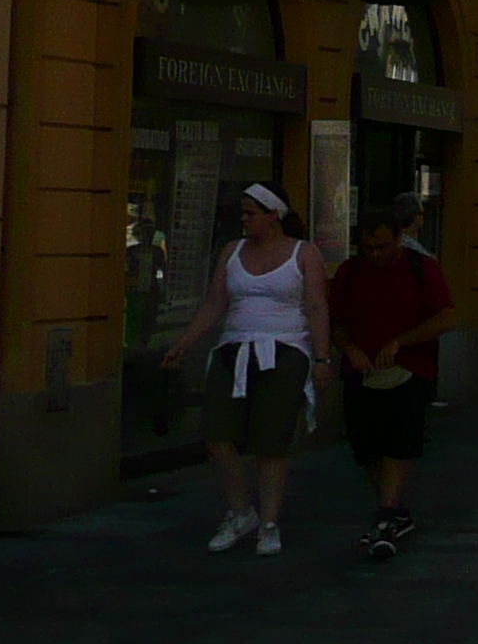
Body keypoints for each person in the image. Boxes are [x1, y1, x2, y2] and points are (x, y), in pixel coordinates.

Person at [161, 184, 333, 555]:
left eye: (251, 212)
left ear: (274, 215)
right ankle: (241, 512)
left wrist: (321, 359)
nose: (245, 219)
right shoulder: (233, 251)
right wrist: (185, 343)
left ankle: (269, 522)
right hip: (234, 347)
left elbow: (317, 307)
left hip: (284, 348)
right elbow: (214, 303)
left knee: (270, 441)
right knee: (216, 435)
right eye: (243, 212)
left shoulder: (303, 254)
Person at [331, 205, 456, 561]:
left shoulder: (421, 268)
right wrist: (350, 349)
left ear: (397, 239)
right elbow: (337, 321)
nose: (375, 255)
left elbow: (446, 317)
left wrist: (401, 341)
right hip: (362, 372)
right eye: (368, 248)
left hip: (411, 369)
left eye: (382, 247)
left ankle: (385, 518)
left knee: (399, 443)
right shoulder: (350, 272)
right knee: (367, 448)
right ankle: (395, 509)